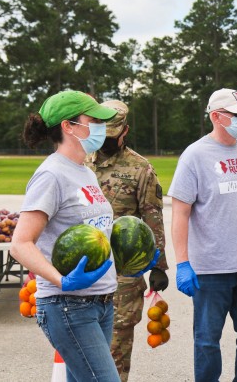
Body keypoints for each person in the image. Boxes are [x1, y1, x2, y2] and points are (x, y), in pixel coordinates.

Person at [10, 90, 118, 381]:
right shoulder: (52, 175)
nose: (101, 127)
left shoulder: (85, 172)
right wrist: (61, 279)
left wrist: (131, 256)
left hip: (101, 302)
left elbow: (95, 231)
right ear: (68, 126)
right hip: (68, 304)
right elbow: (20, 244)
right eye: (93, 120)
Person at [168, 88, 237, 382]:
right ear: (216, 117)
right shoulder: (195, 155)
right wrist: (183, 263)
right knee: (207, 342)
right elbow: (180, 212)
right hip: (210, 270)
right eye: (236, 115)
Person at [85, 100, 169, 382]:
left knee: (116, 349)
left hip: (123, 273)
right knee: (82, 345)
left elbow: (152, 218)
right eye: (103, 133)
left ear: (125, 131)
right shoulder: (81, 161)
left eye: (112, 134)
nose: (107, 140)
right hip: (82, 268)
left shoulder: (140, 168)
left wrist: (158, 264)